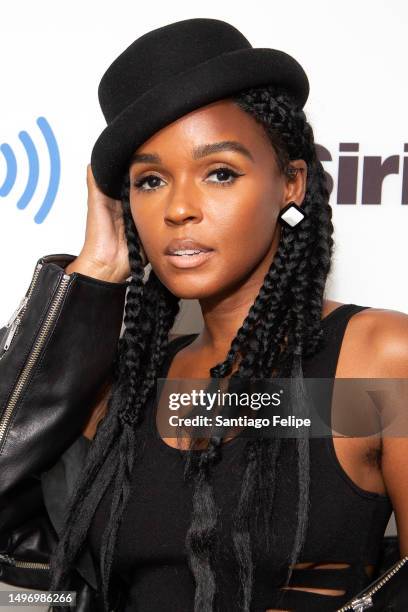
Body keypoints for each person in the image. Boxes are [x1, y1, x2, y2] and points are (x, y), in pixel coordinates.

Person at [1, 17, 407, 612]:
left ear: (291, 182)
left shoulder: (377, 359)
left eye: (220, 173)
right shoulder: (127, 393)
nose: (180, 208)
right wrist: (93, 276)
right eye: (150, 181)